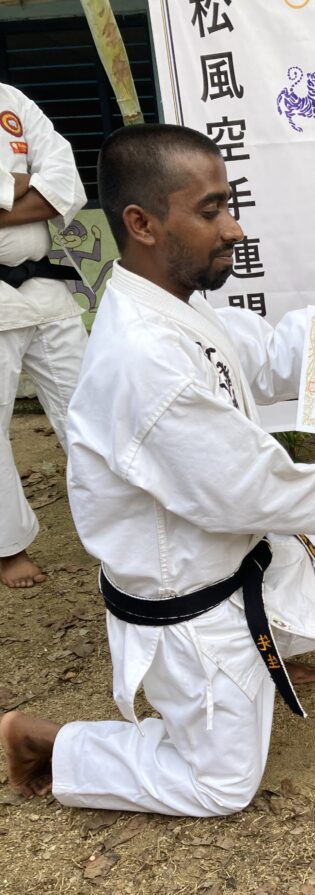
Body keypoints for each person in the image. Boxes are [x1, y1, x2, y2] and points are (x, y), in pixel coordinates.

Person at [0, 122, 315, 815]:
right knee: (221, 785)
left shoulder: (173, 305)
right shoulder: (144, 357)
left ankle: (263, 659)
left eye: (229, 205)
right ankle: (49, 742)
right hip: (189, 597)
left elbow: (263, 353)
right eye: (211, 211)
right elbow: (243, 489)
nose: (233, 228)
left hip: (230, 553)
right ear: (142, 223)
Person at [0, 82, 88, 587]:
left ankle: (120, 521)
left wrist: (23, 189)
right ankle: (9, 547)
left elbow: (64, 185)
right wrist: (23, 183)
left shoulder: (11, 100)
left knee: (88, 409)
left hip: (43, 285)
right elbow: (43, 188)